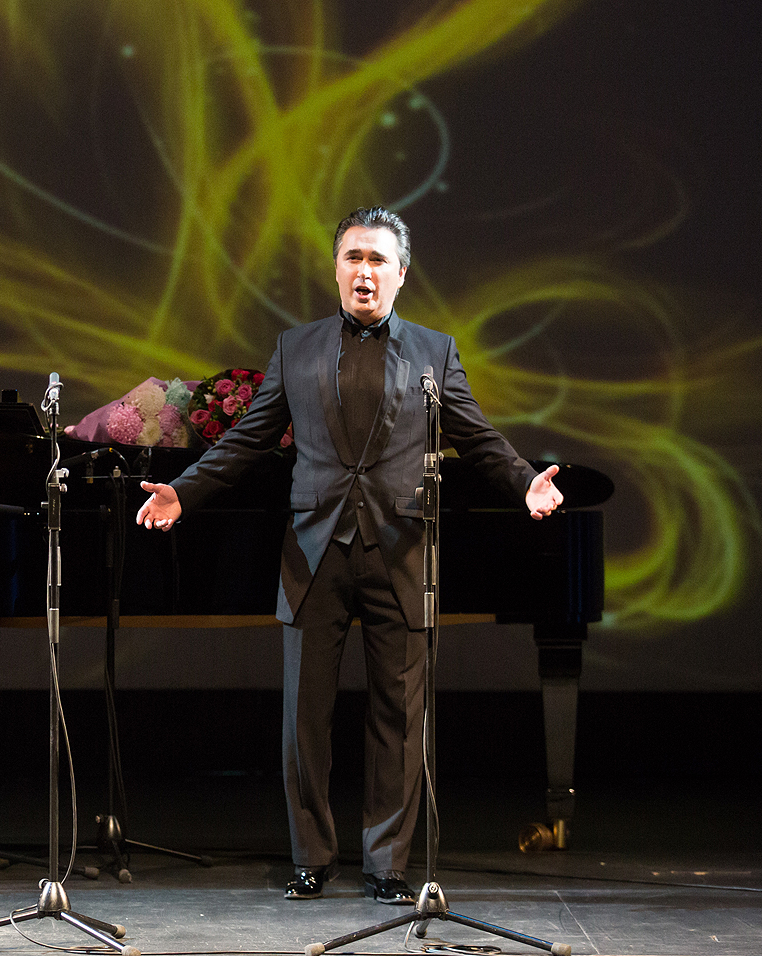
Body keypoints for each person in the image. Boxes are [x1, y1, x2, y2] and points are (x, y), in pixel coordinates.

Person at [135, 207, 562, 904]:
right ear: (335, 269)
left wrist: (524, 483)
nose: (365, 272)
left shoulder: (435, 353)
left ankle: (387, 865)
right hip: (315, 550)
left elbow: (478, 438)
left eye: (378, 260)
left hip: (402, 549)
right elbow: (247, 439)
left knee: (398, 718)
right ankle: (311, 856)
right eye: (353, 258)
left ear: (402, 274)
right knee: (305, 719)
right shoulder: (296, 348)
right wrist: (185, 491)